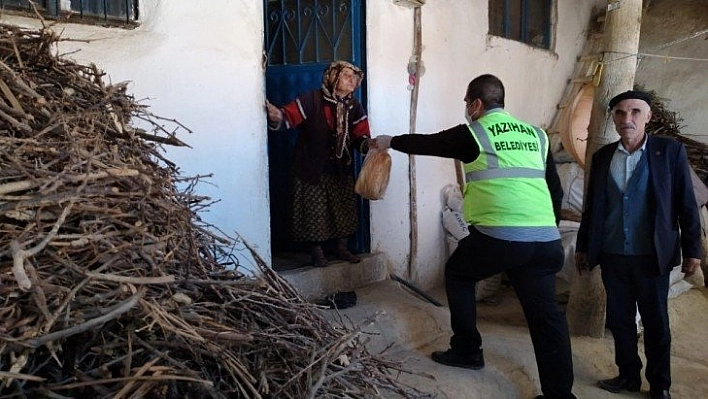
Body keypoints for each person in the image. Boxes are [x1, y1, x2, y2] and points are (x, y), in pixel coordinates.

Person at [371, 74, 575, 399]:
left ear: (476, 104)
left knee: (458, 273)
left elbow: (428, 143)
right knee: (546, 316)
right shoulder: (536, 135)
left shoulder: (475, 132)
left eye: (467, 103)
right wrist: (543, 227)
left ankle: (467, 350)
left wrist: (389, 141)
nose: (467, 109)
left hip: (501, 237)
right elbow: (555, 189)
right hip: (545, 241)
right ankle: (560, 395)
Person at [575, 90, 701, 399]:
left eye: (634, 112)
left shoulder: (669, 152)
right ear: (614, 118)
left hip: (651, 255)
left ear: (648, 117)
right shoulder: (603, 157)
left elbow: (687, 203)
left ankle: (660, 384)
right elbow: (593, 207)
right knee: (619, 320)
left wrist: (693, 250)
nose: (626, 119)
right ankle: (627, 375)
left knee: (656, 322)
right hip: (613, 253)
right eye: (620, 113)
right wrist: (582, 246)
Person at [265, 60, 370, 268]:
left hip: (340, 168)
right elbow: (289, 116)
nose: (352, 80)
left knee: (344, 209)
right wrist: (277, 115)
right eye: (346, 75)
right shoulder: (312, 99)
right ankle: (317, 252)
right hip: (310, 167)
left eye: (354, 77)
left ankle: (342, 248)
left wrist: (371, 145)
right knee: (314, 212)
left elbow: (360, 137)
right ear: (333, 77)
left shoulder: (354, 107)